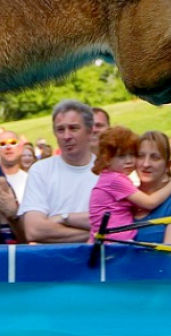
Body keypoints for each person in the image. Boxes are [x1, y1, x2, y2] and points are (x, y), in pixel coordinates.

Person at [18, 100, 99, 243]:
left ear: (90, 131)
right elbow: (34, 230)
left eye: (73, 128)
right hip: (54, 260)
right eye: (60, 129)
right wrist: (95, 234)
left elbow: (116, 223)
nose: (66, 136)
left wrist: (64, 218)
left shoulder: (106, 170)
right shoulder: (40, 170)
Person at [88, 127, 171, 242]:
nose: (129, 160)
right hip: (116, 243)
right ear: (107, 159)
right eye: (121, 156)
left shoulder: (108, 177)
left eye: (132, 155)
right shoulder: (115, 179)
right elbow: (149, 203)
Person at [133, 131, 171, 244]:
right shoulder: (126, 198)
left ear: (167, 166)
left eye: (154, 157)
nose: (146, 164)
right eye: (140, 156)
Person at [0, 130, 28, 202]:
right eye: (3, 143)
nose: (8, 147)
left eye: (13, 142)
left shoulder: (30, 180)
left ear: (21, 149)